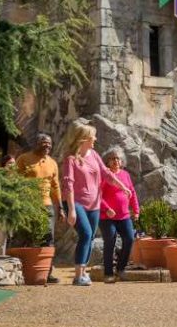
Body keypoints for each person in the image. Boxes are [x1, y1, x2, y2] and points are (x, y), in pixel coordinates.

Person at [60, 121, 110, 286]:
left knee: (90, 237)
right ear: (83, 139)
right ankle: (77, 275)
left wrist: (123, 186)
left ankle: (83, 272)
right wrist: (72, 210)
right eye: (92, 136)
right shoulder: (71, 159)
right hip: (76, 203)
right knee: (86, 234)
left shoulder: (94, 155)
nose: (95, 139)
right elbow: (68, 184)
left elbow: (105, 172)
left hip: (93, 204)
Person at [16, 133, 64, 283]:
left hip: (47, 206)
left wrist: (61, 207)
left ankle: (46, 273)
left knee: (48, 238)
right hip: (28, 205)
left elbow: (55, 187)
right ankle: (21, 272)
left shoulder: (52, 163)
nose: (47, 146)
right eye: (44, 143)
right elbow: (15, 181)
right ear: (35, 143)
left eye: (49, 144)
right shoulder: (23, 159)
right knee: (26, 236)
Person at [99, 146, 141, 283]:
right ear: (107, 162)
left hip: (124, 216)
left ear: (121, 161)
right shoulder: (104, 176)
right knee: (109, 241)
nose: (115, 161)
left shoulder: (125, 175)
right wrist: (106, 209)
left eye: (117, 158)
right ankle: (108, 273)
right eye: (112, 158)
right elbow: (98, 195)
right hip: (107, 217)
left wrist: (136, 210)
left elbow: (132, 192)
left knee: (129, 239)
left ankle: (121, 268)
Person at [0, 155, 18, 255]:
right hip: (0, 212)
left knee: (10, 237)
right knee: (1, 238)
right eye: (10, 163)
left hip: (13, 212)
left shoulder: (16, 180)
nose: (12, 166)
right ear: (4, 165)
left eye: (14, 163)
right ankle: (0, 261)